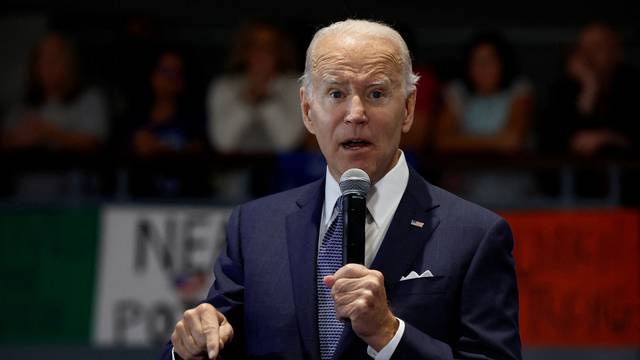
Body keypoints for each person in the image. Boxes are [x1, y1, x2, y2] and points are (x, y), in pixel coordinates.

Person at [162, 20, 521, 360]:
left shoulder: (475, 235)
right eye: (335, 93)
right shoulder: (255, 227)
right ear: (307, 109)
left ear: (409, 108)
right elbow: (215, 339)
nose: (355, 113)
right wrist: (187, 347)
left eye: (376, 93)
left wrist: (388, 334)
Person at [435, 31, 534, 206]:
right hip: (466, 194)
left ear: (503, 63)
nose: (482, 69)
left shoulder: (519, 90)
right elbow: (443, 140)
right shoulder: (458, 92)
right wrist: (496, 142)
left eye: (488, 62)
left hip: (513, 194)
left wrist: (462, 142)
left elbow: (512, 140)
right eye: (476, 62)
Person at [206, 21, 305, 154]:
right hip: (232, 171)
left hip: (281, 171)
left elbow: (287, 142)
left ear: (280, 51)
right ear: (244, 51)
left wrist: (266, 99)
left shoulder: (295, 86)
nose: (262, 52)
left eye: (269, 46)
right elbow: (223, 143)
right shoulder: (224, 86)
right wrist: (249, 97)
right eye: (255, 46)